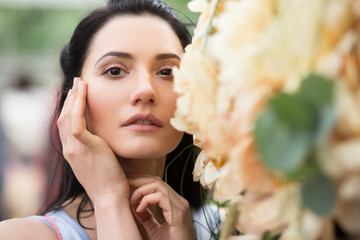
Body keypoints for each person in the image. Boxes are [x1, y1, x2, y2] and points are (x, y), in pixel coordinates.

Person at [0, 0, 220, 239]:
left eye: (167, 71)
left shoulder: (237, 224)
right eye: (115, 70)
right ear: (73, 97)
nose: (145, 90)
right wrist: (109, 200)